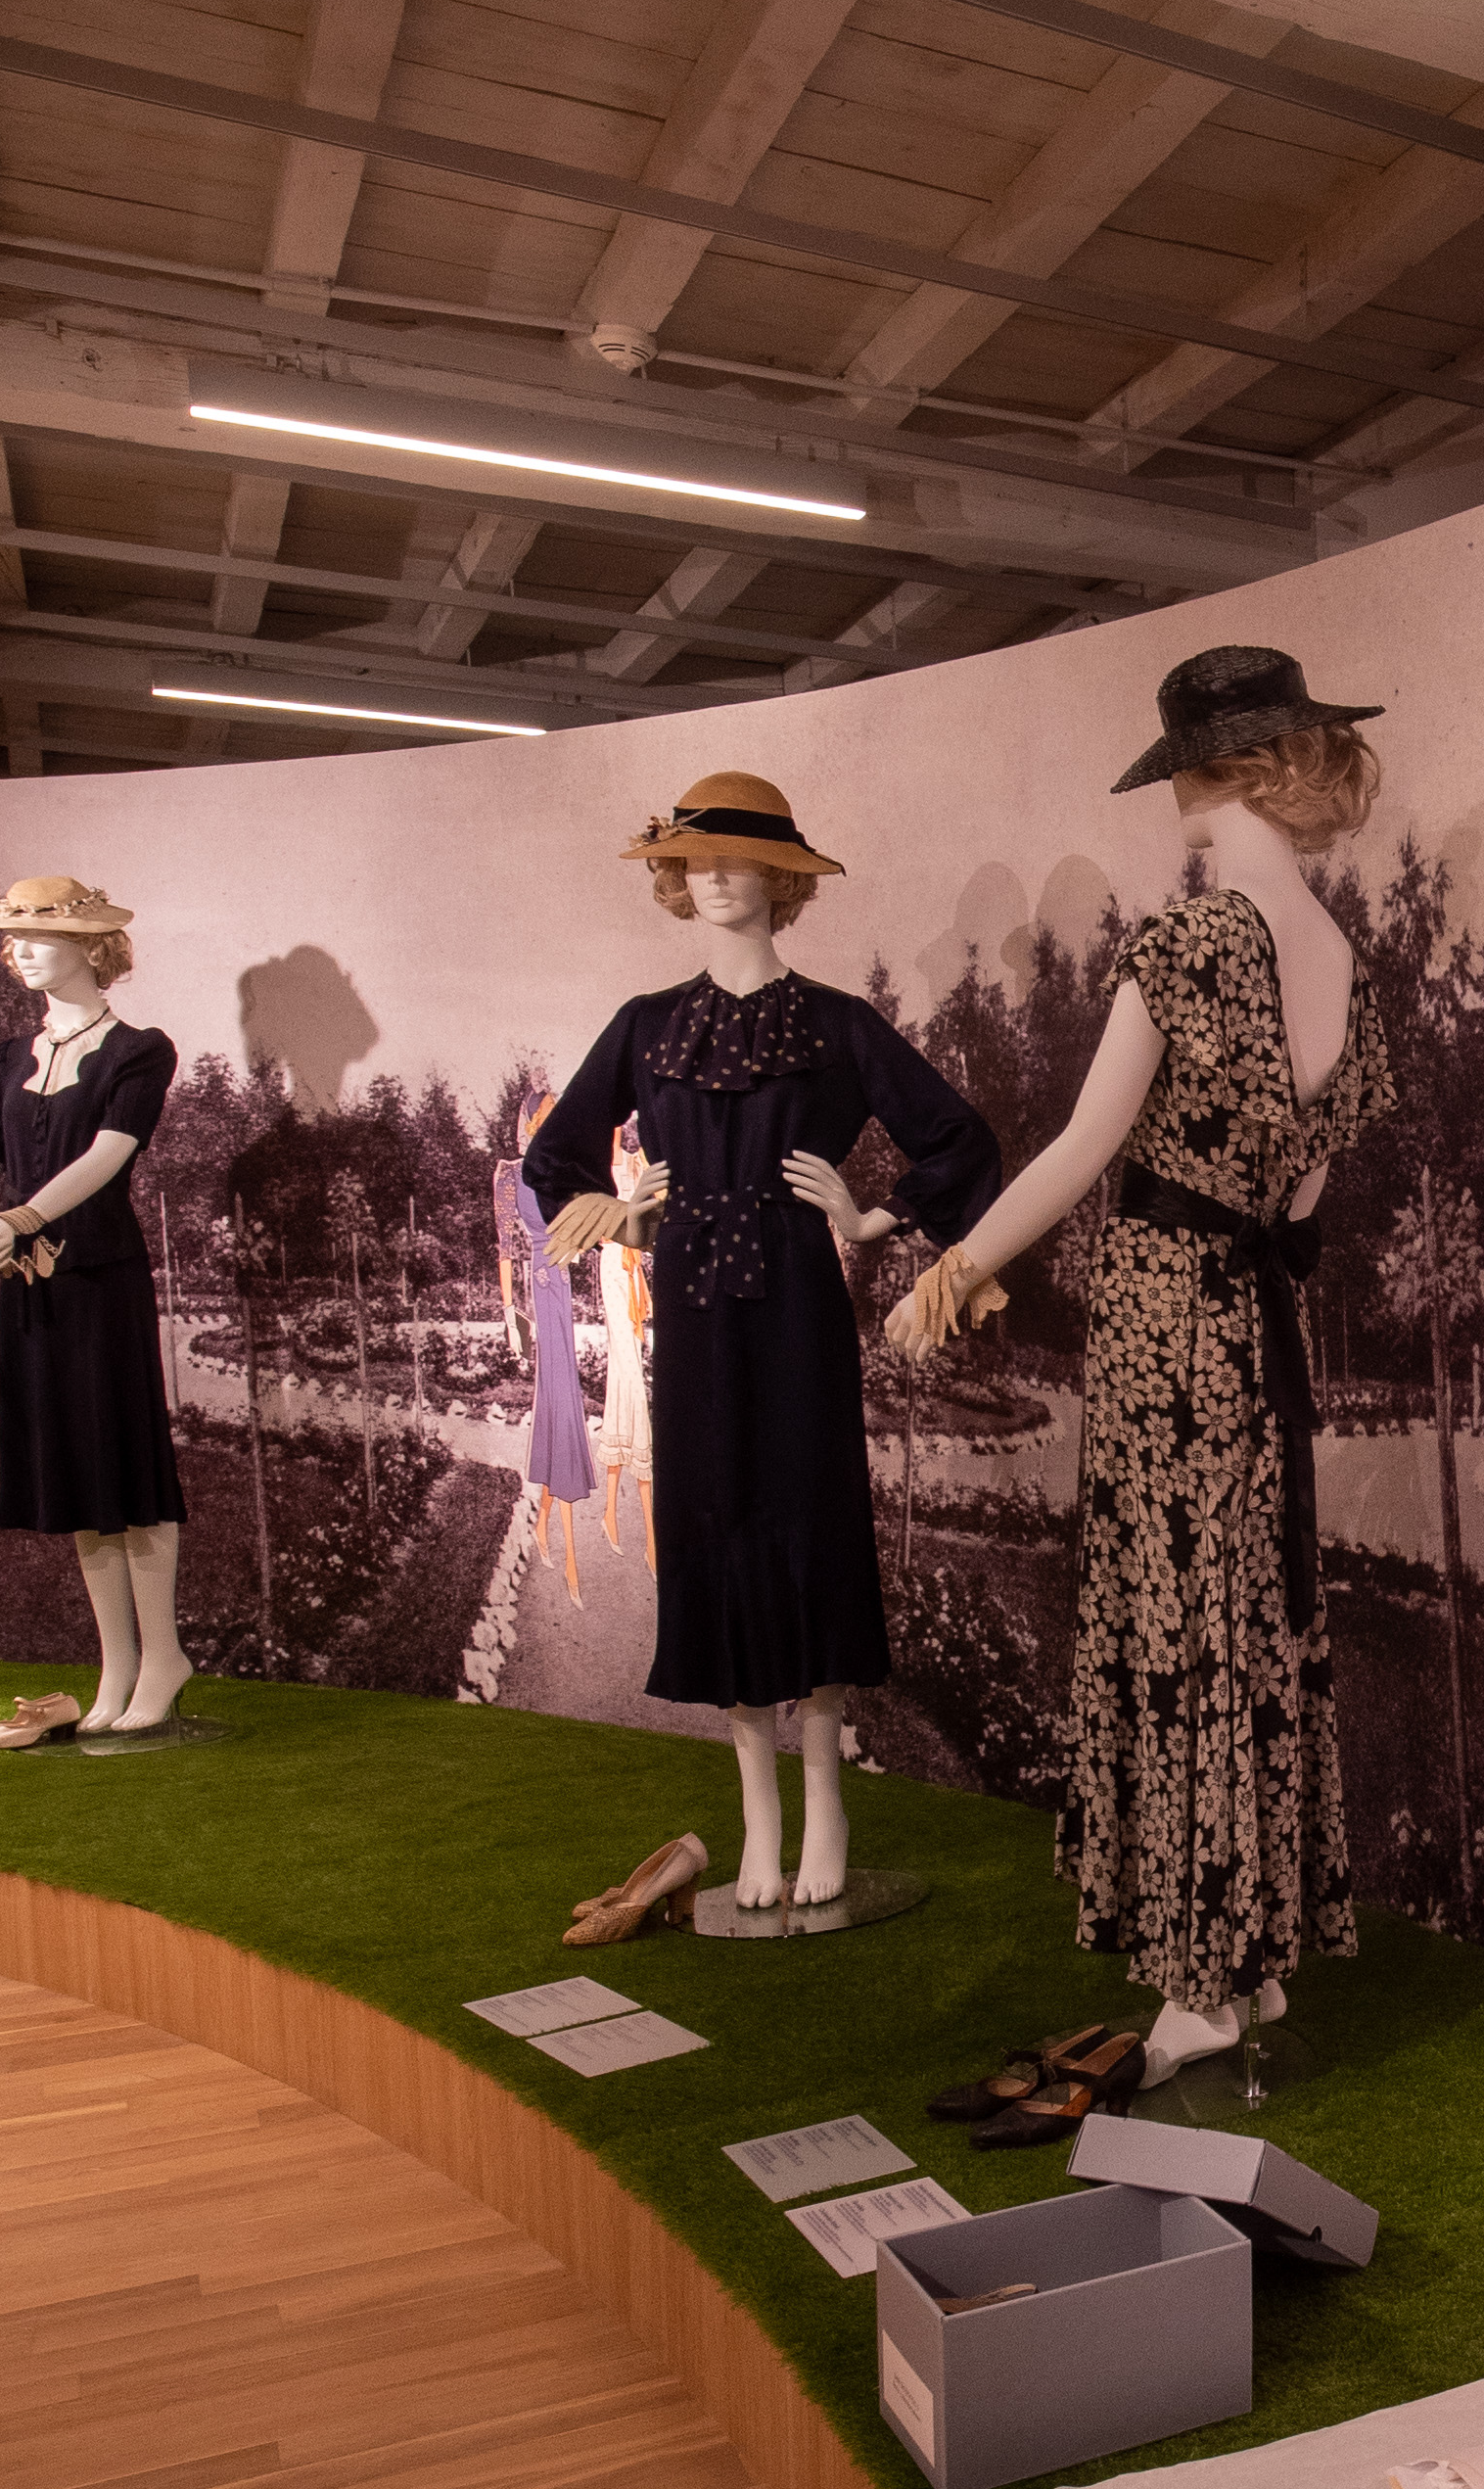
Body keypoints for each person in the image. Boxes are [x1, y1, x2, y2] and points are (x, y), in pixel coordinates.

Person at [892, 647, 1396, 2078]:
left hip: (1166, 1318)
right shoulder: (1342, 962)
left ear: (1206, 772)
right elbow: (1304, 1196)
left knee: (1176, 1632)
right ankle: (1255, 1958)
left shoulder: (1187, 942)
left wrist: (955, 1266)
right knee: (1245, 1624)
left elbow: (1080, 1148)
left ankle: (1200, 1984)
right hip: (1254, 1319)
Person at [525, 773, 998, 1910]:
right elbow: (554, 1158)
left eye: (739, 859)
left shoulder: (836, 1023)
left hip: (794, 1299)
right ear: (675, 878)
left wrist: (873, 1216)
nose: (716, 876)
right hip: (691, 1302)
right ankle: (757, 1818)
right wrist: (619, 1215)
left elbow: (958, 1137)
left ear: (782, 881)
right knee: (717, 1520)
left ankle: (825, 1801)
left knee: (806, 1517)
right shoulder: (646, 1024)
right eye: (696, 860)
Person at [0, 872, 193, 1732]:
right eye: (12, 937)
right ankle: (117, 1666)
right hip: (33, 1290)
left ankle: (163, 1658)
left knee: (125, 1463)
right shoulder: (6, 1058)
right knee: (74, 1475)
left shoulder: (140, 1050)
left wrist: (19, 1219)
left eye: (39, 935)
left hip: (101, 1279)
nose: (19, 950)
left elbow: (108, 1155)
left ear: (93, 947)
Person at [498, 1075, 592, 1609]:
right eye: (547, 1114)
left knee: (562, 1398)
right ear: (531, 1121)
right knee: (558, 1397)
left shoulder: (560, 1171)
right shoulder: (511, 1174)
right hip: (540, 1281)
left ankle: (544, 1525)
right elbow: (505, 1248)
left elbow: (581, 1228)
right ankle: (571, 1557)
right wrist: (510, 1316)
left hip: (563, 1279)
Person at [594, 1116, 656, 1569]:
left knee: (623, 1378)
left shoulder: (645, 1162)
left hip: (634, 1269)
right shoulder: (612, 1159)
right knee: (632, 1381)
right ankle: (651, 1529)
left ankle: (610, 1512)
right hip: (615, 1265)